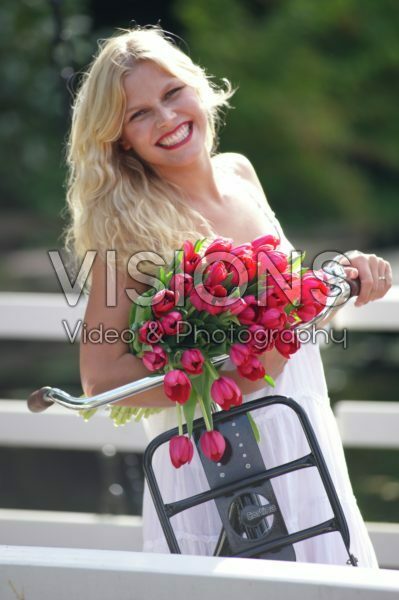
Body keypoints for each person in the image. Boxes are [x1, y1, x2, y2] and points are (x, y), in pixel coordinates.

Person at [64, 26, 392, 566]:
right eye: (139, 113)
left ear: (197, 86)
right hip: (220, 460)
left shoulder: (240, 174)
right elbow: (100, 381)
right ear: (120, 137)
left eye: (172, 94)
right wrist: (227, 380)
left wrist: (341, 281)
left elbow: (290, 319)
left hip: (301, 426)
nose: (167, 119)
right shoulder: (126, 227)